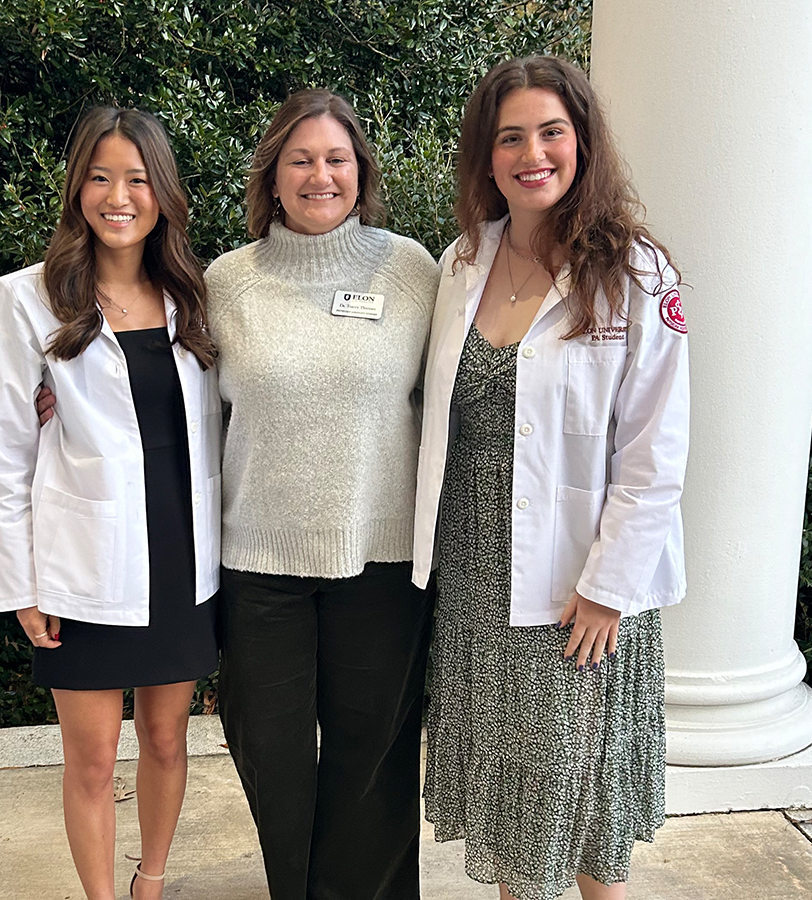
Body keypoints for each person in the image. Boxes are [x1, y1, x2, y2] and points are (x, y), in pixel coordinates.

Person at [412, 57, 690, 900]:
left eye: (551, 132)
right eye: (510, 138)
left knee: (579, 812)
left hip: (579, 588)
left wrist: (609, 588)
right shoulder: (459, 263)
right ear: (486, 158)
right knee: (514, 810)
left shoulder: (638, 274)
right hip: (472, 571)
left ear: (583, 141)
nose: (532, 153)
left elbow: (656, 452)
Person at [0, 106, 221, 900]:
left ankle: (149, 882)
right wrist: (22, 589)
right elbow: (6, 455)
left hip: (181, 559)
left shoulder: (195, 293)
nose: (119, 197)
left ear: (163, 195)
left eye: (138, 180)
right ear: (77, 187)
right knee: (88, 758)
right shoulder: (28, 299)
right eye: (100, 177)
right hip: (78, 566)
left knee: (164, 738)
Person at [207, 89, 440, 900]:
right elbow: (183, 412)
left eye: (336, 158)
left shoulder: (412, 270)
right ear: (272, 176)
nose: (319, 175)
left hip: (381, 558)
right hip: (259, 560)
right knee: (272, 756)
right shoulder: (226, 284)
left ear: (360, 171)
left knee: (370, 755)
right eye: (300, 159)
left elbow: (463, 390)